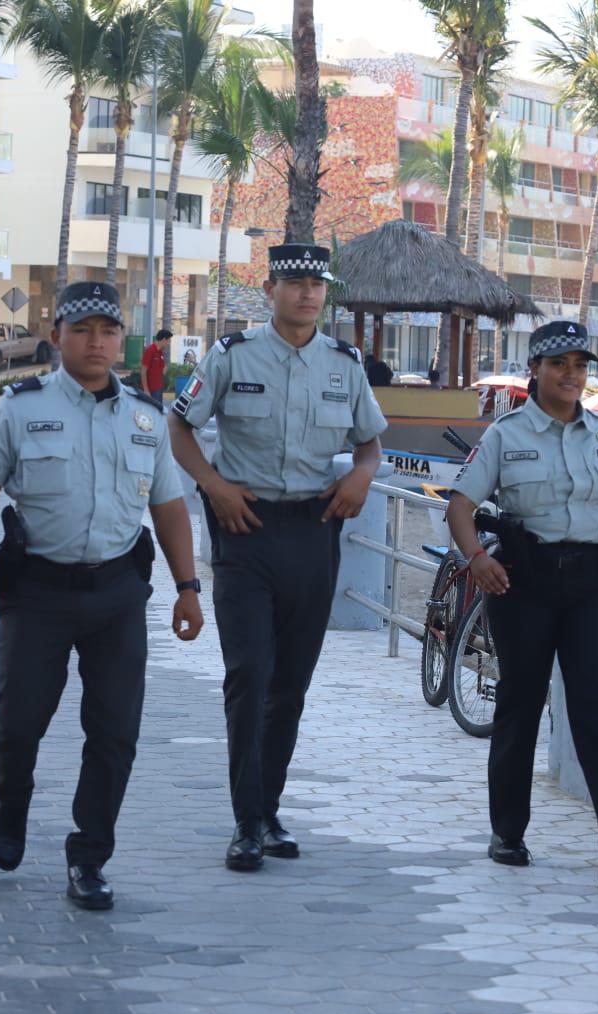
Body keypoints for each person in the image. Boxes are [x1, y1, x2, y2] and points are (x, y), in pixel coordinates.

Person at [0, 281, 204, 911]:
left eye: (108, 331)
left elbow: (169, 508)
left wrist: (187, 587)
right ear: (59, 336)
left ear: (123, 339)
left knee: (115, 730)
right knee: (18, 726)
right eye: (83, 330)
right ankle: (11, 805)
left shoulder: (147, 418)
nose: (97, 342)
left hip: (117, 594)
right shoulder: (18, 407)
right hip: (37, 592)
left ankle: (90, 855)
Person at [169, 243, 388, 872]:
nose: (307, 294)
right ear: (271, 289)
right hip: (245, 531)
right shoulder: (231, 356)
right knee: (249, 675)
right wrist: (212, 485)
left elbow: (370, 445)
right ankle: (245, 822)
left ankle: (268, 810)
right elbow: (180, 427)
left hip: (314, 532)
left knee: (290, 683)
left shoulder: (345, 366)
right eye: (294, 283)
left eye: (316, 284)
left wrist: (362, 477)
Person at [446, 319, 598, 886]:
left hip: (593, 586)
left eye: (580, 365)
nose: (571, 375)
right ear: (534, 370)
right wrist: (476, 561)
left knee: (596, 707)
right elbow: (460, 506)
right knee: (521, 703)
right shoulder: (505, 435)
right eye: (559, 364)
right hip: (524, 585)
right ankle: (507, 832)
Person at [142, 328, 170, 400]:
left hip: (159, 389)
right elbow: (143, 371)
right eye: (168, 341)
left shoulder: (160, 352)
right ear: (164, 339)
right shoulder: (150, 350)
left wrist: (166, 367)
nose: (168, 344)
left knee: (158, 410)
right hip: (151, 391)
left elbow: (162, 372)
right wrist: (146, 389)